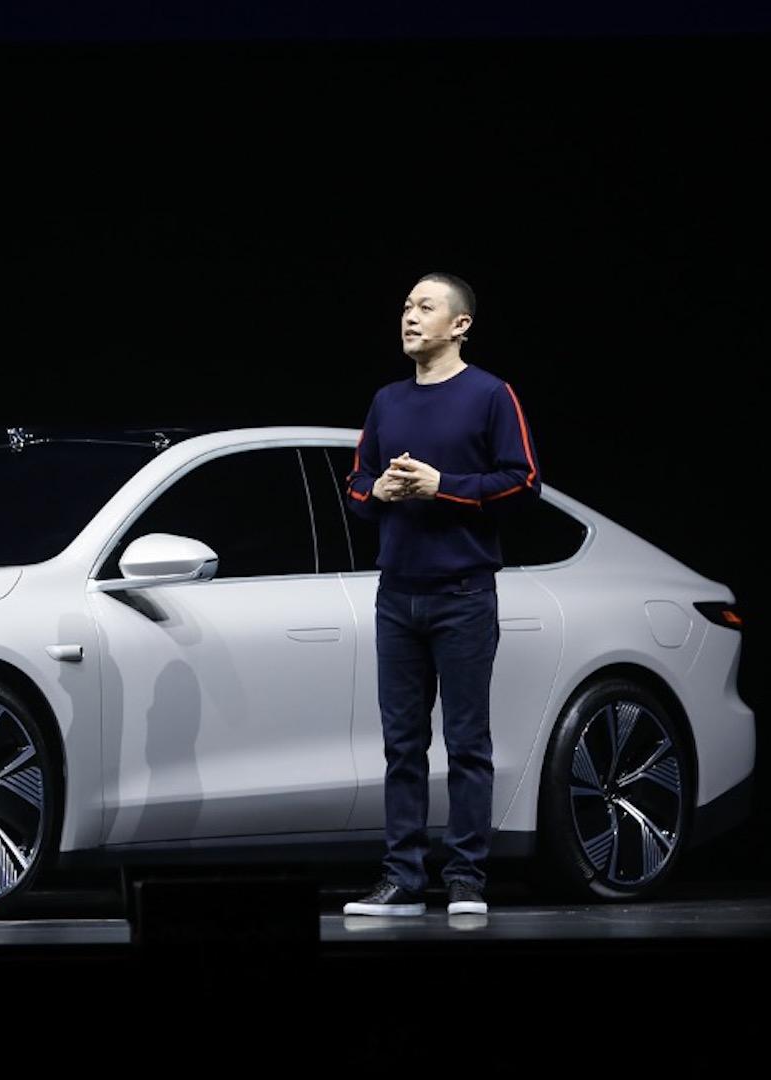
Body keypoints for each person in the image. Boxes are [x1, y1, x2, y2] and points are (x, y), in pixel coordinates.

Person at [339, 271, 541, 918]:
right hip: (396, 594)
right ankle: (401, 879)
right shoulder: (386, 401)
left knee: (466, 743)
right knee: (401, 745)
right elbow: (356, 486)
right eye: (404, 306)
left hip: (463, 593)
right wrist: (381, 494)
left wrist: (441, 485)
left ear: (460, 324)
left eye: (425, 307)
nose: (409, 316)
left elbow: (523, 481)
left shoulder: (490, 395)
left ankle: (466, 881)